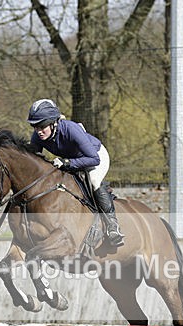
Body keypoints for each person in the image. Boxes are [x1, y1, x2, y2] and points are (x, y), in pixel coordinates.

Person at [27, 98, 124, 246]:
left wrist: (67, 163)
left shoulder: (70, 129)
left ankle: (113, 226)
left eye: (42, 126)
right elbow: (33, 161)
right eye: (35, 126)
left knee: (94, 182)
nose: (39, 131)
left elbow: (93, 159)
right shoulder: (38, 137)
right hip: (72, 160)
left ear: (53, 122)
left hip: (95, 155)